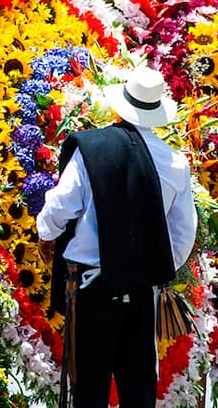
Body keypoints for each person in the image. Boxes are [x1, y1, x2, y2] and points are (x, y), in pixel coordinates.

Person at [35, 65, 198, 408]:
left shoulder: (91, 149)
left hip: (93, 288)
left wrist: (45, 235)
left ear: (120, 106)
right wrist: (149, 269)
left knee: (88, 389)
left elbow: (61, 206)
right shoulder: (174, 163)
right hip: (141, 292)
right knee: (138, 387)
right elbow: (183, 235)